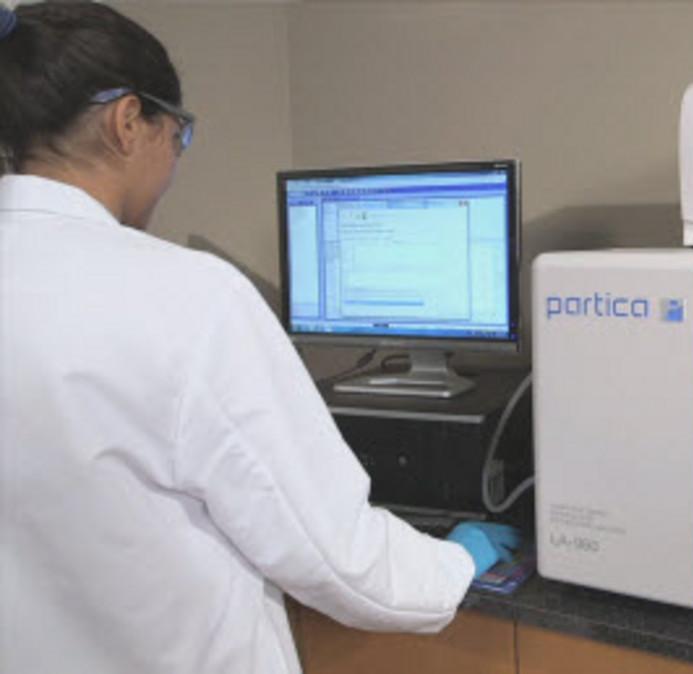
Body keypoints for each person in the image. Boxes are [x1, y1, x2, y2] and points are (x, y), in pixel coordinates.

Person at [0, 4, 516, 672]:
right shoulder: (186, 295)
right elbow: (334, 555)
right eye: (177, 135)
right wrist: (457, 561)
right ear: (127, 122)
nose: (175, 162)